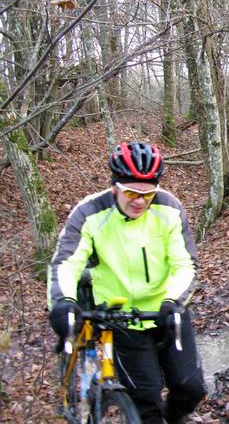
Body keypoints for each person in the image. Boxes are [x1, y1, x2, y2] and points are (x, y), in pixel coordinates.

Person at [47, 141, 206, 424]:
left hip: (166, 313)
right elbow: (67, 262)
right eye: (131, 192)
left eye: (148, 193)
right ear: (114, 187)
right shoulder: (89, 213)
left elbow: (186, 264)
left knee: (191, 389)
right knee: (146, 403)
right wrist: (63, 302)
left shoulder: (169, 208)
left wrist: (173, 301)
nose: (140, 201)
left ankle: (175, 417)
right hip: (121, 320)